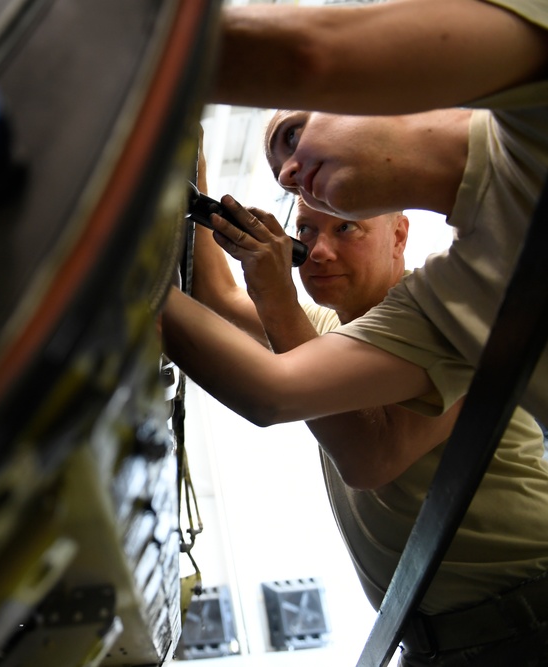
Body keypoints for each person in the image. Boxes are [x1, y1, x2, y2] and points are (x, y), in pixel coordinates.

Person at [187, 162, 548, 662]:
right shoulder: (330, 329)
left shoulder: (446, 315)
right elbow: (219, 297)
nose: (318, 251)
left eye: (346, 227)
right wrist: (191, 164)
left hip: (529, 624)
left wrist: (274, 295)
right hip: (435, 644)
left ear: (399, 235)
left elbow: (372, 456)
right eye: (306, 231)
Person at [163, 0, 548, 430]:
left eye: (293, 135)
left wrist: (133, 69)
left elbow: (311, 55)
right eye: (289, 188)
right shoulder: (449, 303)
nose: (290, 172)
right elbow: (272, 391)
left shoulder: (533, 111)